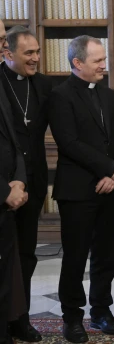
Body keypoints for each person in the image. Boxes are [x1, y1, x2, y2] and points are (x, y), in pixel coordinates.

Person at [49, 36, 114, 343]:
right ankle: (72, 318)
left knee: (107, 256)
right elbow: (69, 143)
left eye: (104, 59)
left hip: (110, 188)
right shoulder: (61, 96)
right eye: (97, 60)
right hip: (77, 191)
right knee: (75, 257)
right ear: (77, 63)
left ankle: (101, 312)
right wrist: (109, 168)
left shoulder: (109, 95)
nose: (104, 65)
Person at [0, 26, 51, 342]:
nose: (35, 59)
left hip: (33, 181)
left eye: (37, 52)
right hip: (4, 183)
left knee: (27, 254)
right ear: (8, 54)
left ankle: (21, 318)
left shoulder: (44, 85)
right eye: (28, 53)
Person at [0, 75, 29, 344]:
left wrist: (19, 180)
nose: (2, 46)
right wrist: (5, 191)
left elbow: (13, 139)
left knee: (7, 272)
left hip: (10, 189)